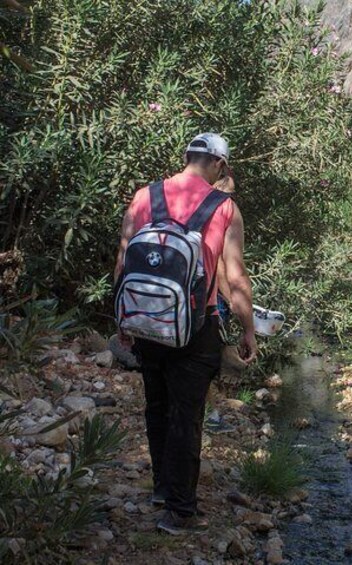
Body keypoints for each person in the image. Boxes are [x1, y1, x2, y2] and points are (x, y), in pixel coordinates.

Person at [113, 132, 257, 534]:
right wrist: (249, 330)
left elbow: (124, 260)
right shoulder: (225, 206)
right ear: (220, 166)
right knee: (186, 415)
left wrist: (123, 320)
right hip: (196, 325)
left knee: (156, 405)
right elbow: (236, 276)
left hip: (145, 320)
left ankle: (162, 488)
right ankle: (179, 510)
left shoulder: (146, 195)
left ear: (187, 157)